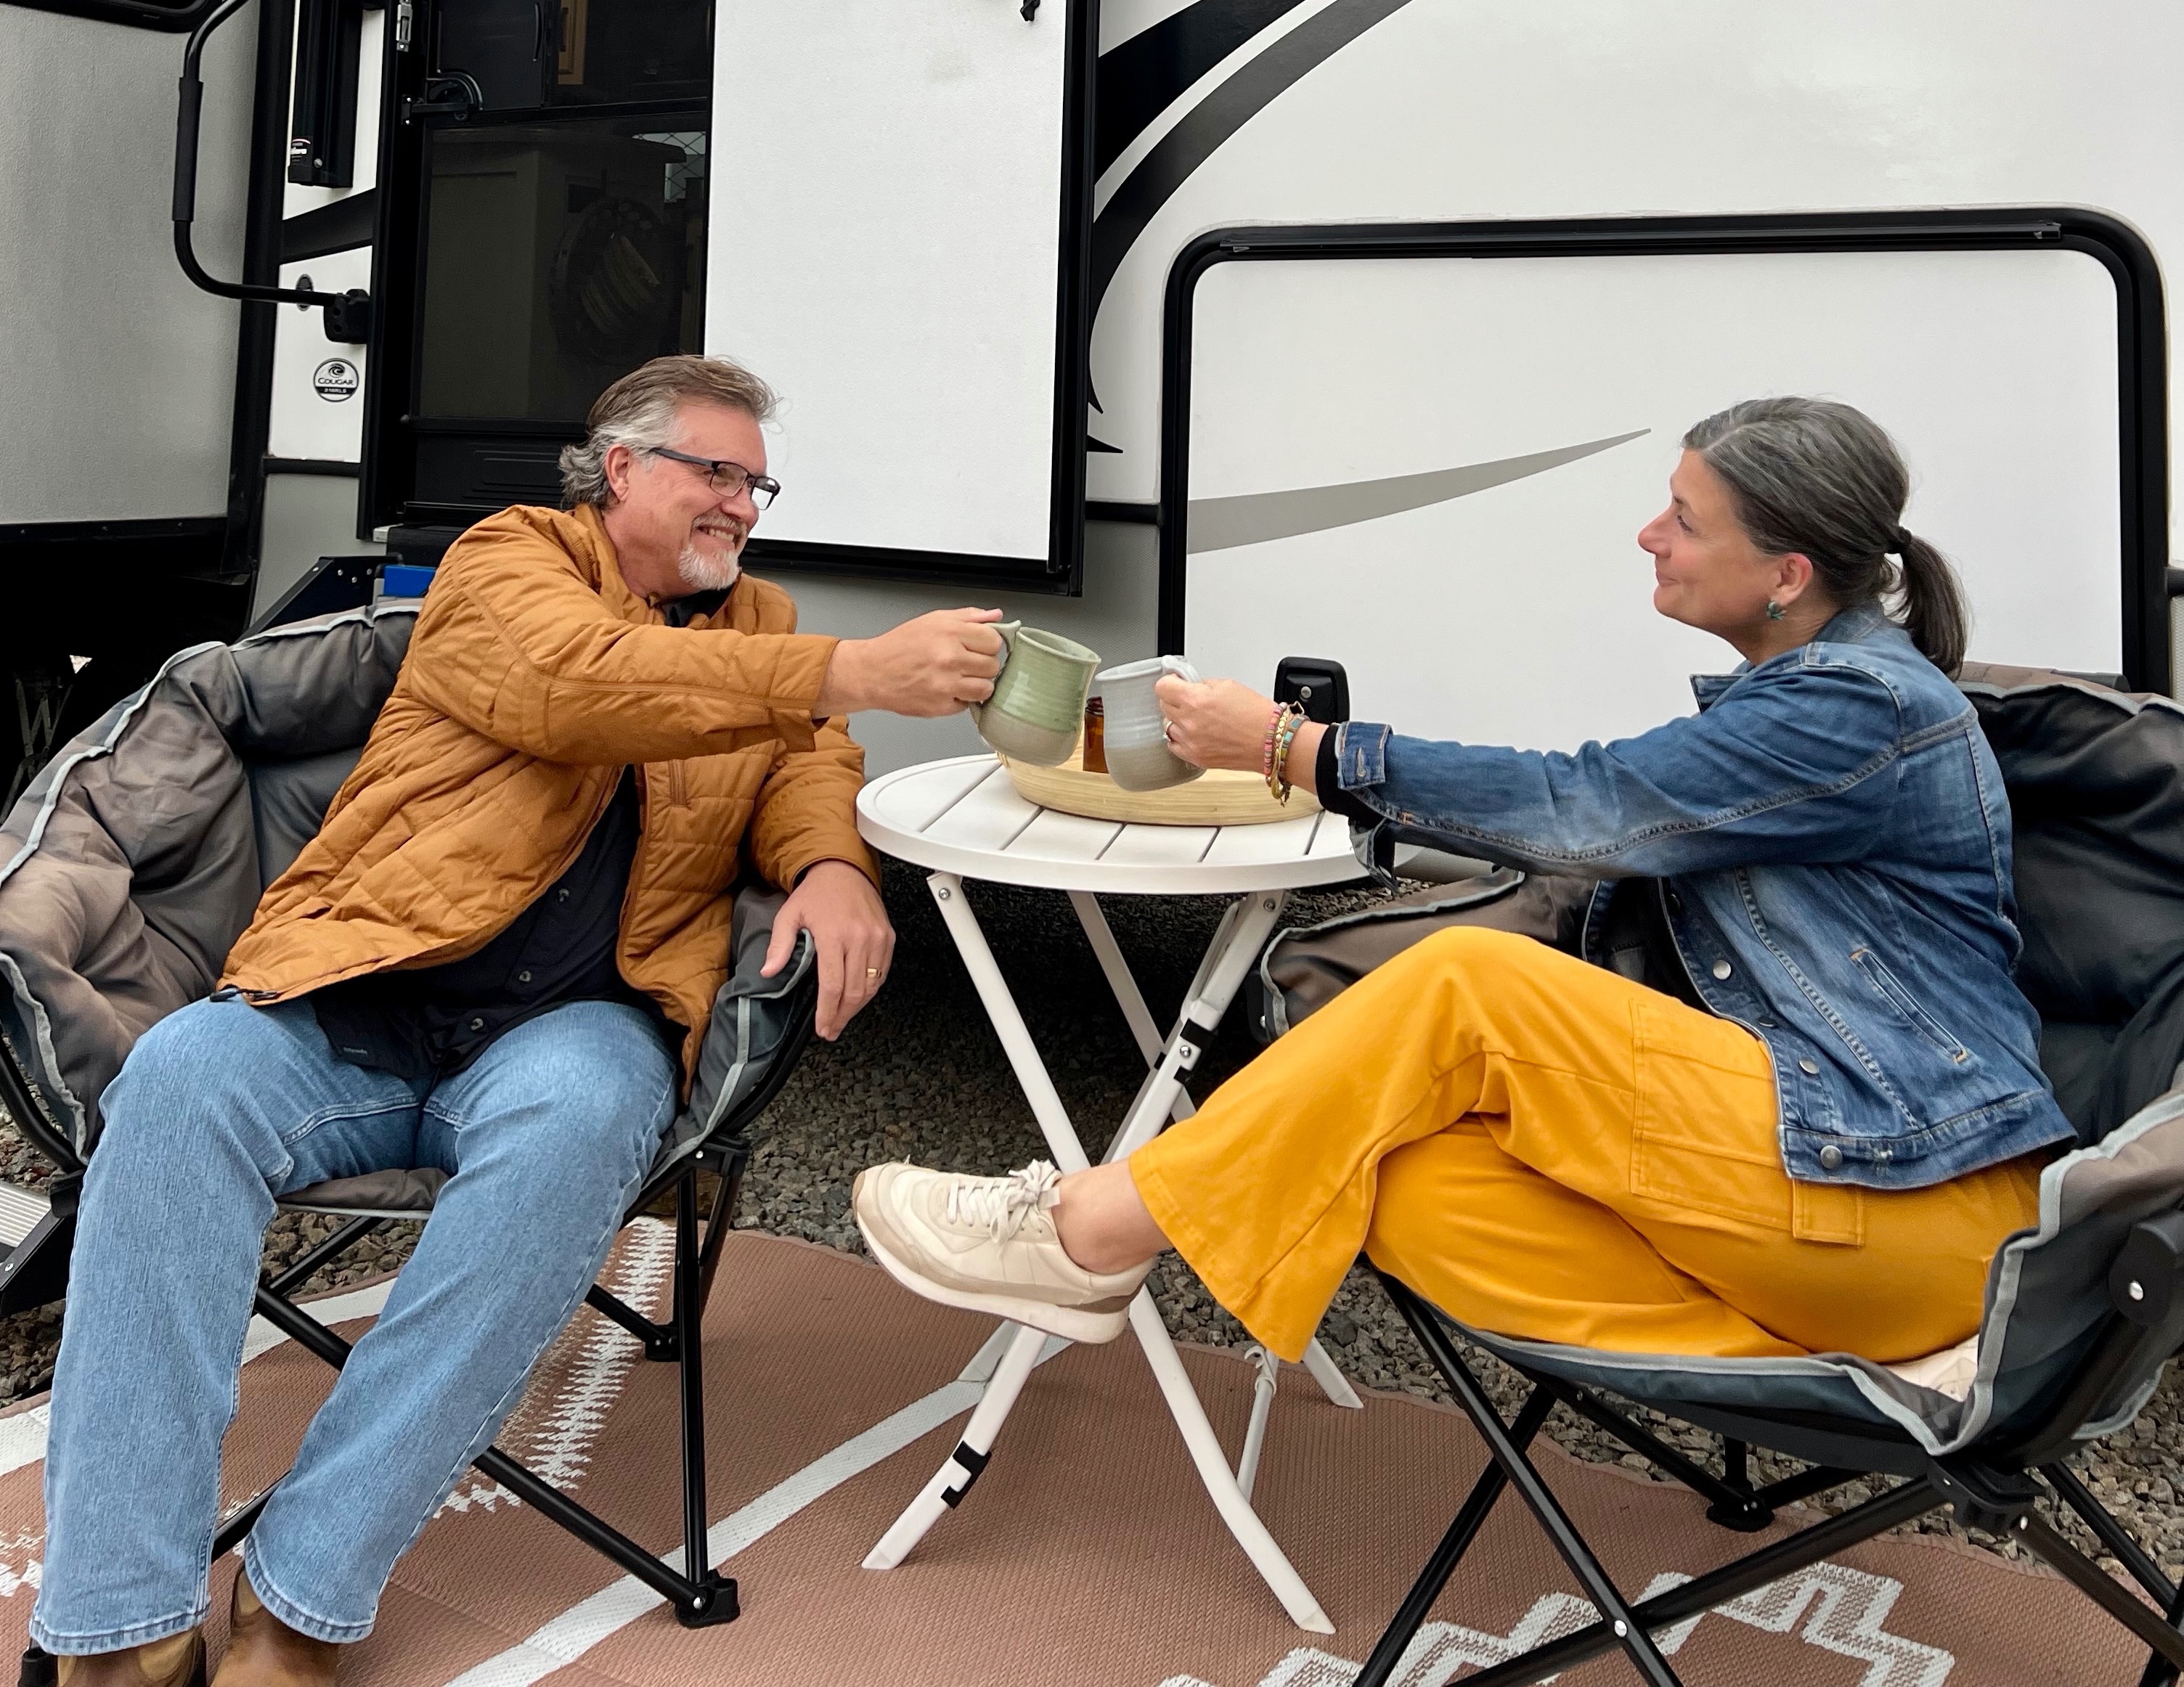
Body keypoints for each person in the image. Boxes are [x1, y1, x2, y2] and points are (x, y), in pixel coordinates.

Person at [35, 352, 1003, 1687]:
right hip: (359, 986)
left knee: (582, 1134)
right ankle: (118, 1628)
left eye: (756, 482)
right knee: (176, 1086)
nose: (742, 505)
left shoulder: (761, 622)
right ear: (622, 470)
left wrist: (833, 864)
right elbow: (573, 687)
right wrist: (852, 667)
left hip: (580, 1018)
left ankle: (301, 1598)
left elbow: (805, 764)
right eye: (715, 473)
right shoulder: (510, 561)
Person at [855, 397, 2072, 1379]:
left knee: (1470, 987)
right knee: (1388, 1174)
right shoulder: (1808, 700)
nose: (1650, 535)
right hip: (1824, 1220)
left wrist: (1298, 749)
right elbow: (1595, 829)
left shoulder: (1860, 707)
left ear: (1787, 573)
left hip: (1913, 1198)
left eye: (1687, 520)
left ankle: (1083, 1239)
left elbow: (1590, 807)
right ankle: (1834, 1374)